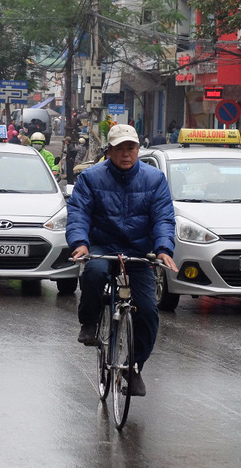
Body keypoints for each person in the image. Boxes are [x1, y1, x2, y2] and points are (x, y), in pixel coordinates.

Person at [66, 124, 178, 396]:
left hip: (139, 252)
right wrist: (80, 244)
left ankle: (134, 367)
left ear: (138, 150)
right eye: (119, 149)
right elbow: (79, 213)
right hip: (102, 245)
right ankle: (90, 323)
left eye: (131, 148)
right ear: (109, 151)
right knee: (93, 272)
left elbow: (163, 217)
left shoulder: (155, 179)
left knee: (148, 311)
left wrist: (164, 248)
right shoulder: (91, 178)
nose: (126, 154)